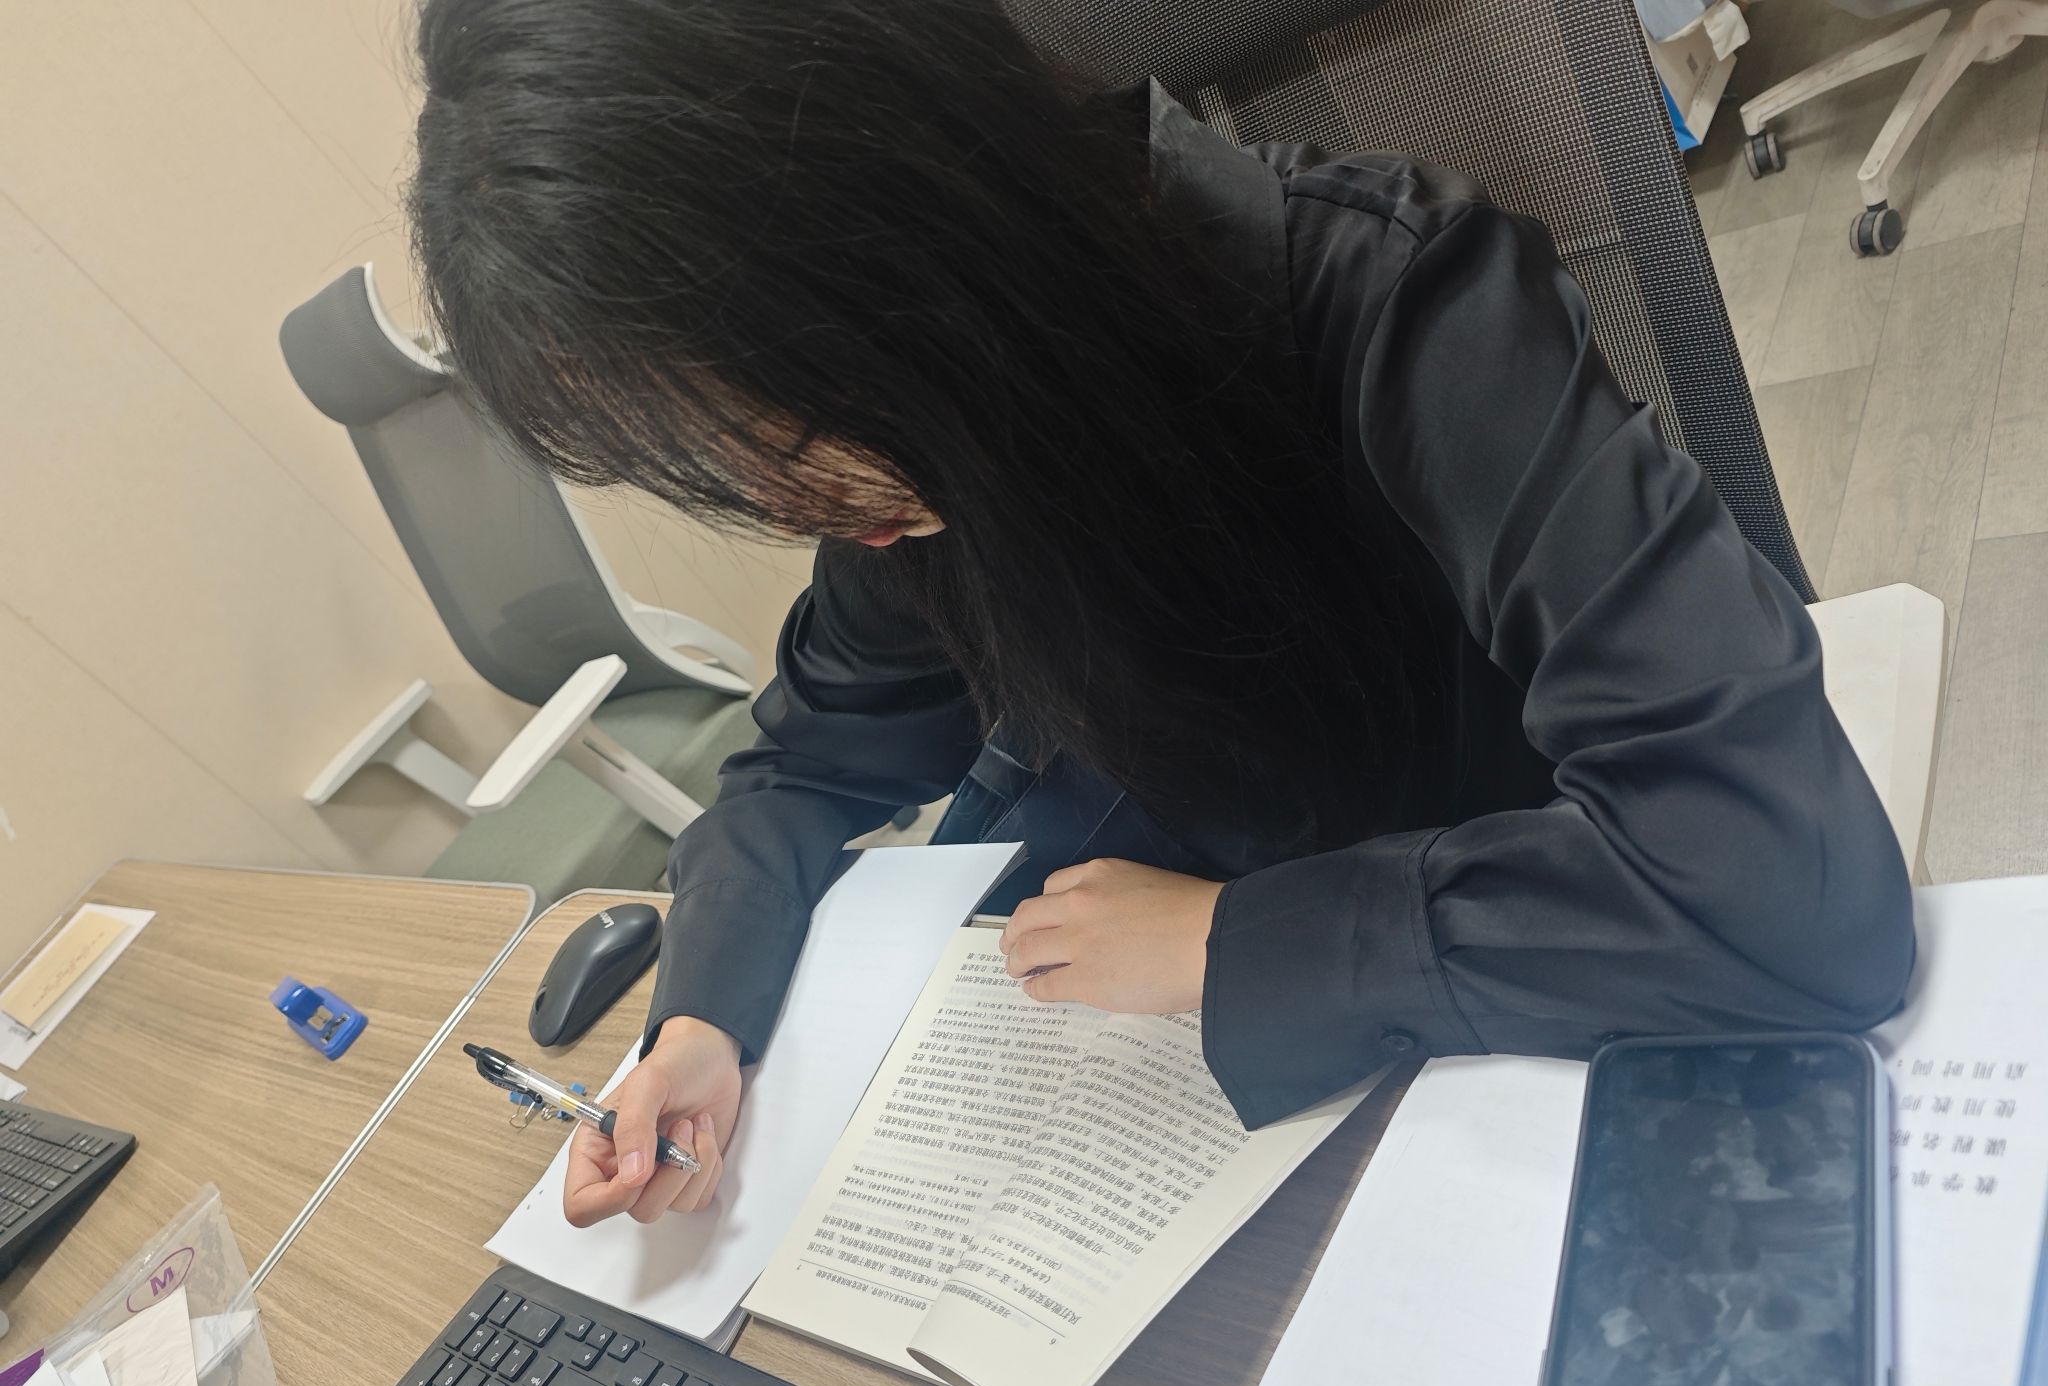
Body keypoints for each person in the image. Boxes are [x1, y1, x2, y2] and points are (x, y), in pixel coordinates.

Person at [407, 0, 1915, 1229]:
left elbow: (1790, 899)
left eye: (770, 421)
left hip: (1530, 1005)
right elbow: (803, 763)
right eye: (716, 458)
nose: (781, 499)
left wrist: (1230, 943)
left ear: (899, 237)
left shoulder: (1402, 304)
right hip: (1195, 1099)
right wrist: (702, 1020)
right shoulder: (910, 475)